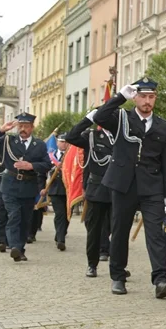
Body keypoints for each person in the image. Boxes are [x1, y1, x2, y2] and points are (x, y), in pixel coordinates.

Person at [94, 78, 166, 298]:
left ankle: (161, 279)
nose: (147, 101)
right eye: (143, 96)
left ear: (155, 98)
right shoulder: (122, 118)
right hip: (123, 184)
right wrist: (120, 97)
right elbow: (99, 117)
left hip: (152, 186)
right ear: (135, 97)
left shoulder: (163, 125)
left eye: (151, 97)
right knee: (120, 231)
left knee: (155, 233)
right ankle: (118, 277)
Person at [0, 114, 51, 262]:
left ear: (32, 127)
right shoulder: (7, 141)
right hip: (10, 184)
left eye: (26, 126)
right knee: (14, 215)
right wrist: (1, 129)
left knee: (25, 220)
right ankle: (13, 246)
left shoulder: (39, 145)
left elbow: (46, 165)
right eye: (20, 126)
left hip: (29, 185)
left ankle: (20, 248)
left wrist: (32, 166)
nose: (22, 129)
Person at [64, 113, 114, 277]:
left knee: (119, 229)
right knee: (94, 229)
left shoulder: (122, 134)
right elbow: (71, 136)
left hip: (118, 188)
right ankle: (92, 264)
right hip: (97, 188)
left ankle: (118, 266)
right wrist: (88, 120)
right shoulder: (91, 136)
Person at [46, 137, 70, 251]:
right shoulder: (51, 156)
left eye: (66, 142)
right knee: (60, 214)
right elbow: (43, 171)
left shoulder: (72, 156)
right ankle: (61, 240)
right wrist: (42, 187)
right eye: (61, 141)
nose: (64, 144)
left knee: (67, 216)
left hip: (69, 190)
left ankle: (60, 234)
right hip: (55, 189)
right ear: (57, 143)